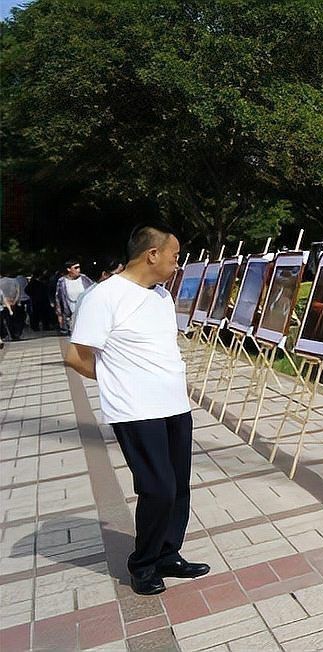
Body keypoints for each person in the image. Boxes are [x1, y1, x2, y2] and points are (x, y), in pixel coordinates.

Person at [64, 225, 208, 595]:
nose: (178, 264)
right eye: (175, 256)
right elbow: (76, 357)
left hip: (175, 405)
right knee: (157, 488)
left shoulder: (161, 297)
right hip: (135, 410)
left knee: (177, 487)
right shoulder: (105, 296)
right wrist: (117, 380)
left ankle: (166, 553)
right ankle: (142, 564)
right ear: (152, 254)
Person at [55, 261, 94, 333]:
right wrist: (59, 314)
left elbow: (93, 290)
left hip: (85, 311)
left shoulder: (84, 278)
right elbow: (58, 298)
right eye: (76, 268)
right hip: (70, 313)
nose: (78, 270)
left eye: (79, 267)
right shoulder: (62, 281)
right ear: (69, 269)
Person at [0, 273, 26, 341]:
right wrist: (16, 301)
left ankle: (12, 334)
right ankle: (17, 332)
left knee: (8, 320)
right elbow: (18, 292)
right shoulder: (15, 281)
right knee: (17, 318)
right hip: (14, 302)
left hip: (4, 304)